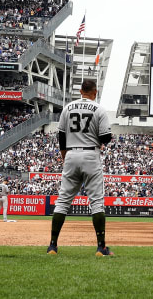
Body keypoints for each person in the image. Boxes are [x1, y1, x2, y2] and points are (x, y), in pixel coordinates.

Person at [48, 79, 113, 256]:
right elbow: (106, 137)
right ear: (95, 92)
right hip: (91, 155)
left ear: (80, 91)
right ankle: (101, 247)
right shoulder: (99, 109)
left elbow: (61, 136)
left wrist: (64, 156)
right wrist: (98, 140)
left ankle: (52, 246)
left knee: (62, 201)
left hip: (70, 154)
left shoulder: (67, 108)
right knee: (96, 202)